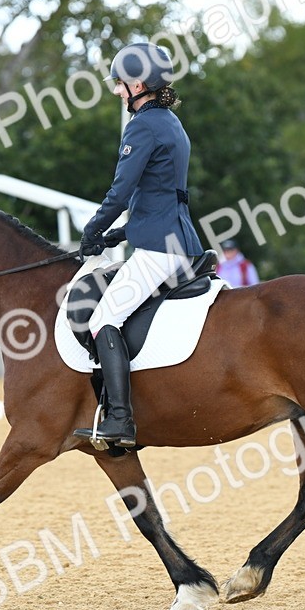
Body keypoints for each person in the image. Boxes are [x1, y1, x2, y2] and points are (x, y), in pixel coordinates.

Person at [73, 42, 203, 447]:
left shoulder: (143, 126)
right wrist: (121, 234)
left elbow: (121, 189)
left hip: (158, 251)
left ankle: (119, 420)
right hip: (176, 239)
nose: (116, 91)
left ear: (140, 84)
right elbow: (163, 196)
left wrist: (94, 229)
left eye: (120, 84)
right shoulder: (170, 122)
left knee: (101, 320)